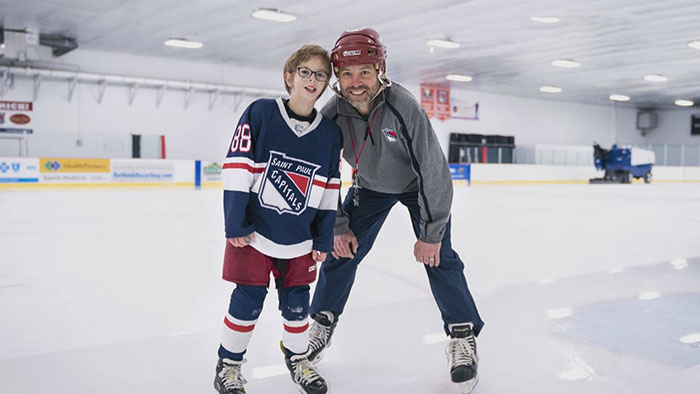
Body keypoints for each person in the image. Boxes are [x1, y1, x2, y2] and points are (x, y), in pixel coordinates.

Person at [306, 28, 484, 393]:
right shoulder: (333, 113)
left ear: (380, 70)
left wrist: (430, 234)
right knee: (341, 253)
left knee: (440, 257)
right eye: (347, 74)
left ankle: (462, 334)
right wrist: (338, 225)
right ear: (337, 77)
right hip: (369, 188)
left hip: (417, 188)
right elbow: (322, 172)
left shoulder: (403, 107)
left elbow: (433, 169)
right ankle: (322, 319)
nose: (356, 83)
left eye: (365, 73)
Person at [214, 44, 342, 394]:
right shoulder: (261, 113)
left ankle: (299, 359)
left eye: (320, 75)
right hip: (254, 234)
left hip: (300, 236)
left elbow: (330, 189)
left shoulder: (330, 134)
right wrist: (235, 222)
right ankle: (229, 365)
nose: (312, 79)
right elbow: (238, 167)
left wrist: (323, 236)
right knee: (247, 301)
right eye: (305, 72)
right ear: (290, 76)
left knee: (298, 304)